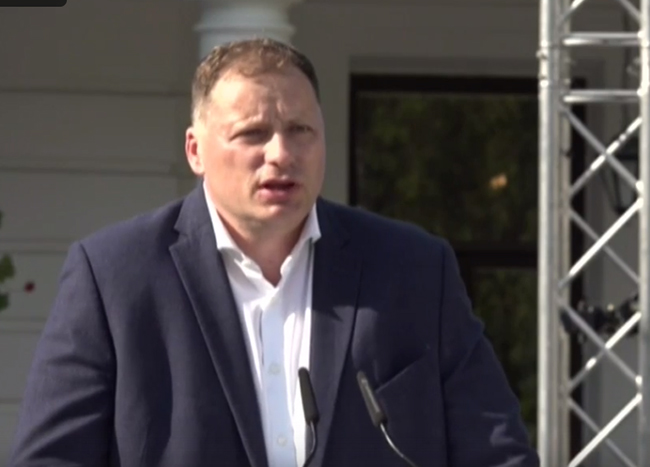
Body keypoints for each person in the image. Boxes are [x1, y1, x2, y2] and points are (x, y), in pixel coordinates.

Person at [9, 38, 539, 467]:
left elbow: (498, 453)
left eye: (300, 130)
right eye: (253, 133)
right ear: (195, 150)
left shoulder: (414, 270)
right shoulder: (114, 278)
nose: (281, 154)